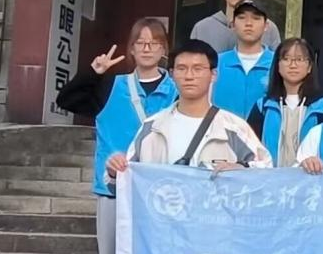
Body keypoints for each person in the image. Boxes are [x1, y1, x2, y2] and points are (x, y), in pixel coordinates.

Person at [53, 18, 177, 254]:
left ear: (164, 49)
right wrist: (93, 73)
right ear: (131, 48)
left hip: (162, 194)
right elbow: (67, 100)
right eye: (140, 42)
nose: (147, 48)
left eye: (154, 42)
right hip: (114, 191)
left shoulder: (177, 90)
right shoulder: (112, 85)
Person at [106, 39, 273, 177]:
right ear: (172, 74)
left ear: (213, 75)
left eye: (198, 69)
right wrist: (115, 172)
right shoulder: (152, 127)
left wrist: (242, 169)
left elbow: (266, 168)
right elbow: (128, 179)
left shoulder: (233, 127)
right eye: (181, 69)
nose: (189, 76)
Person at [247, 38, 323, 167]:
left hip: (310, 176)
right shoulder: (263, 107)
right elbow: (248, 147)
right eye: (286, 59)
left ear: (310, 66)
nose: (293, 65)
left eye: (299, 59)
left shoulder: (322, 107)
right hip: (269, 176)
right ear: (277, 65)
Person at [212, 0, 274, 118]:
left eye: (256, 18)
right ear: (232, 25)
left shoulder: (278, 64)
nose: (249, 23)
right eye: (241, 18)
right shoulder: (215, 63)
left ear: (266, 26)